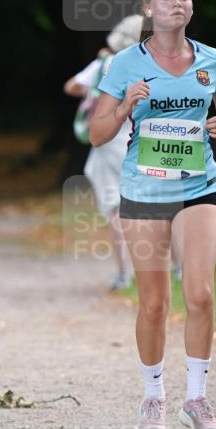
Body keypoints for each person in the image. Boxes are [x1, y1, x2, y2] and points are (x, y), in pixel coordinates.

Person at [90, 0, 216, 429]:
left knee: (200, 294)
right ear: (148, 9)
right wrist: (123, 106)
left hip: (199, 186)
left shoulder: (211, 60)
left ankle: (196, 399)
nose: (178, 3)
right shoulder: (125, 64)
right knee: (154, 303)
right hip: (144, 192)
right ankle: (153, 396)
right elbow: (97, 134)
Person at [64, 16, 143, 290]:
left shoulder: (104, 63)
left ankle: (123, 273)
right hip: (139, 142)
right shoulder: (147, 65)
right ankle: (177, 267)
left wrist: (95, 92)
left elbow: (71, 86)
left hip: (107, 143)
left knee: (115, 207)